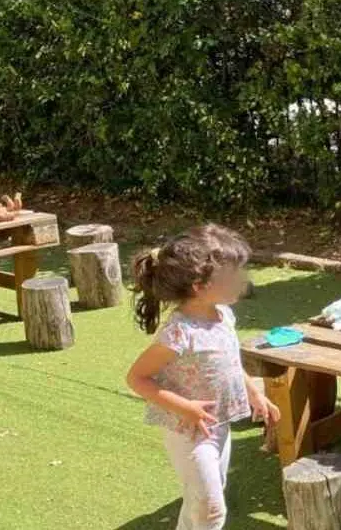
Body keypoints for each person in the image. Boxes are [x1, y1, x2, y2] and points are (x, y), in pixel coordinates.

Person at [125, 224, 279, 529]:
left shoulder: (224, 315)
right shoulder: (180, 332)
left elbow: (231, 362)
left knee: (204, 499)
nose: (241, 280)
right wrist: (186, 408)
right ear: (199, 285)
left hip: (218, 424)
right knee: (211, 509)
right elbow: (137, 378)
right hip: (187, 430)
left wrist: (254, 393)